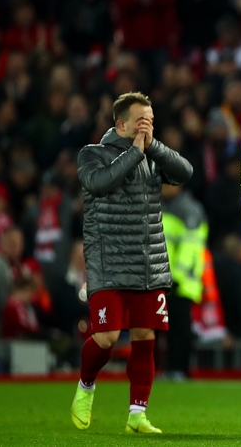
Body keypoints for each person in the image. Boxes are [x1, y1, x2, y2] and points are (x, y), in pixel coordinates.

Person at [70, 92, 193, 434]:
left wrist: (150, 147)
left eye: (151, 121)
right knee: (107, 336)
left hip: (147, 261)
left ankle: (137, 415)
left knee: (144, 335)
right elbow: (100, 183)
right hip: (108, 261)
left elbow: (185, 172)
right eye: (141, 121)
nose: (146, 127)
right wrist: (136, 151)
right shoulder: (92, 155)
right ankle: (86, 385)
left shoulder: (153, 156)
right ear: (120, 123)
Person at [161, 182, 209, 380]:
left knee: (180, 330)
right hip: (166, 280)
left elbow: (191, 248)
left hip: (181, 282)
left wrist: (176, 277)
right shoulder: (165, 206)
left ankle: (181, 369)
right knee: (168, 331)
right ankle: (172, 369)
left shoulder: (188, 209)